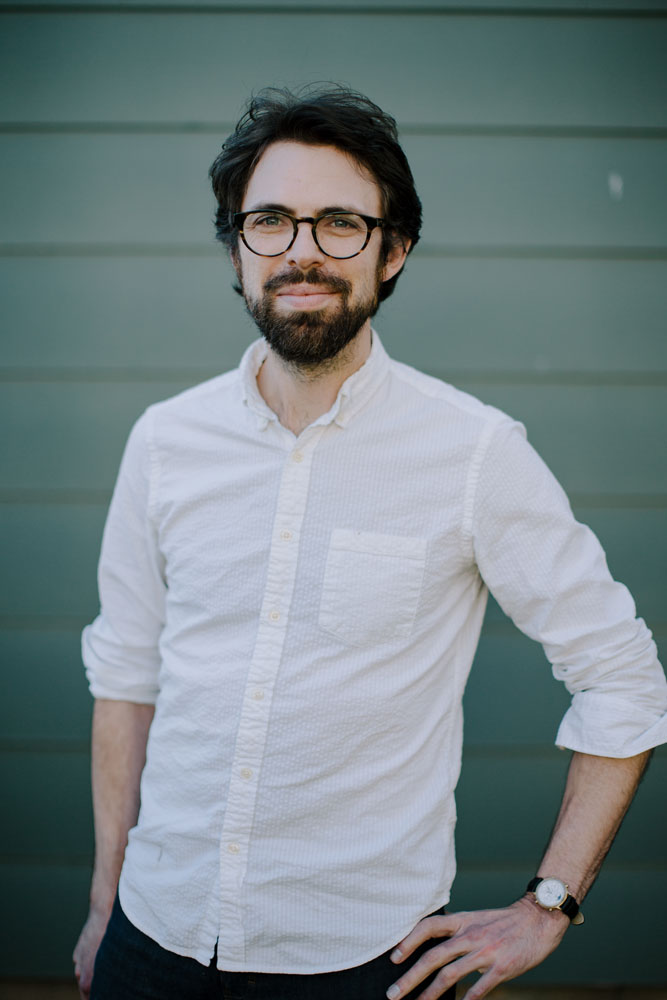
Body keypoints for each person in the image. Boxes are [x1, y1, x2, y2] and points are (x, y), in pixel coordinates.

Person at [73, 85, 667, 1000]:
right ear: (236, 247)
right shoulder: (163, 441)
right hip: (152, 938)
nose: (301, 250)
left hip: (358, 965)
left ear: (392, 253)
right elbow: (126, 677)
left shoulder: (475, 453)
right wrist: (106, 899)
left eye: (340, 223)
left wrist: (548, 903)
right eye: (269, 220)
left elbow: (620, 675)